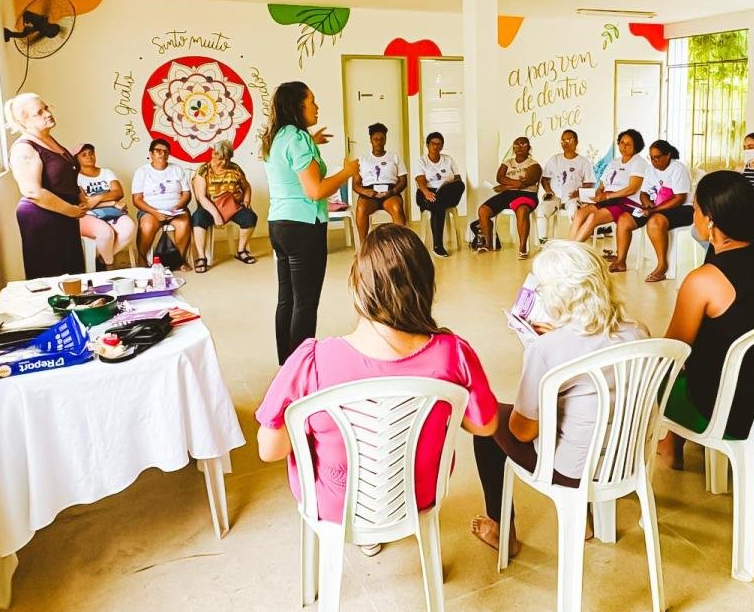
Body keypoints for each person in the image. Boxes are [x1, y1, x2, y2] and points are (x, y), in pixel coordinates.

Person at [256, 224, 498, 555]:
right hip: (419, 492)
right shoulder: (453, 353)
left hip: (335, 504)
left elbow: (269, 450)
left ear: (357, 286)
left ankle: (365, 528)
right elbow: (485, 425)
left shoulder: (311, 361)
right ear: (426, 285)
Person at [470, 241, 648, 555]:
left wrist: (539, 350)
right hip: (626, 457)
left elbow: (523, 431)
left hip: (573, 471)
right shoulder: (638, 332)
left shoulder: (548, 349)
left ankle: (504, 534)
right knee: (581, 412)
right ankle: (587, 519)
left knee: (487, 425)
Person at [660, 171, 754, 462]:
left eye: (696, 209)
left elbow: (672, 352)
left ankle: (668, 445)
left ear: (710, 219)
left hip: (728, 410)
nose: (693, 215)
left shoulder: (705, 280)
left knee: (647, 374)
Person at [262, 81, 359, 366]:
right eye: (312, 101)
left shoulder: (278, 136)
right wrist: (347, 172)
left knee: (287, 299)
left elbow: (290, 165)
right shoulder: (298, 139)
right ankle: (300, 371)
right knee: (305, 303)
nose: (317, 107)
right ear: (297, 107)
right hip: (303, 226)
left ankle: (286, 366)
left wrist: (311, 143)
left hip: (279, 225)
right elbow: (315, 190)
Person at [6, 93, 87, 278]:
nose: (47, 114)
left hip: (63, 217)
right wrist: (71, 210)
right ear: (23, 120)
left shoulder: (47, 139)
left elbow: (62, 175)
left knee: (72, 278)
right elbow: (32, 191)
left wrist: (78, 195)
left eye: (47, 108)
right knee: (52, 279)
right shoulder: (24, 148)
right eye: (39, 112)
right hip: (42, 219)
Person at [609, 139, 693, 282]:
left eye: (657, 157)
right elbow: (644, 193)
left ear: (668, 155)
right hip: (656, 208)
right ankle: (621, 261)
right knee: (624, 219)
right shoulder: (650, 169)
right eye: (651, 158)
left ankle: (662, 266)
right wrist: (647, 204)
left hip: (682, 209)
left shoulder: (678, 168)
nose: (654, 161)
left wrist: (654, 210)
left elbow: (679, 198)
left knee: (655, 221)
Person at [190, 138, 258, 272]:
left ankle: (241, 250)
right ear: (213, 154)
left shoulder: (235, 168)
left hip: (231, 206)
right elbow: (201, 197)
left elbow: (247, 186)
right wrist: (216, 215)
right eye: (221, 158)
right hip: (209, 207)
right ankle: (201, 257)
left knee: (250, 217)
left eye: (227, 159)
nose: (224, 162)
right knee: (198, 218)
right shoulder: (203, 170)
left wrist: (246, 201)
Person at [570, 129, 648, 243]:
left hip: (625, 202)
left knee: (592, 218)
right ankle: (569, 248)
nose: (624, 147)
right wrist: (597, 195)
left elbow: (633, 188)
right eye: (622, 143)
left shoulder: (639, 162)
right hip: (607, 199)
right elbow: (602, 185)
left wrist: (607, 197)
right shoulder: (614, 162)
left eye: (628, 144)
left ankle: (572, 250)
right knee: (579, 214)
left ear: (636, 146)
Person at [475, 137, 542, 258]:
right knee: (483, 210)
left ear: (529, 147)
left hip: (527, 194)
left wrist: (505, 186)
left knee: (522, 211)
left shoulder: (534, 164)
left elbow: (526, 182)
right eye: (516, 145)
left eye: (523, 144)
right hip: (508, 194)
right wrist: (513, 184)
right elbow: (499, 178)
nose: (519, 147)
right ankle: (488, 244)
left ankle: (523, 248)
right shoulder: (507, 162)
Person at [131, 138, 192, 269]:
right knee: (147, 226)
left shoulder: (177, 169)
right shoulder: (142, 172)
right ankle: (141, 259)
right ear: (151, 154)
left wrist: (178, 207)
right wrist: (155, 213)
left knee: (184, 224)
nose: (162, 154)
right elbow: (137, 199)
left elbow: (187, 193)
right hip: (150, 211)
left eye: (165, 151)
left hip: (175, 211)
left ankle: (179, 260)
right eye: (158, 151)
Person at [75, 143, 136, 270]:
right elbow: (85, 204)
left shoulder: (106, 172)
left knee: (129, 228)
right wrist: (112, 202)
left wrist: (97, 198)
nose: (89, 157)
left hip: (112, 212)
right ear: (77, 159)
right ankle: (110, 266)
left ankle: (101, 258)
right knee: (105, 233)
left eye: (91, 153)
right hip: (89, 216)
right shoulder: (76, 177)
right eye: (84, 155)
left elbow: (119, 193)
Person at [536, 129, 595, 243]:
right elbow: (545, 179)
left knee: (574, 213)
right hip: (555, 197)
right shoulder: (555, 159)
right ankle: (543, 241)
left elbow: (589, 182)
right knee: (542, 211)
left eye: (568, 140)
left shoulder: (583, 162)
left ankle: (575, 242)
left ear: (576, 142)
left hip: (573, 197)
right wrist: (549, 191)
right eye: (562, 140)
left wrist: (578, 193)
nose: (565, 143)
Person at [353, 123, 408, 242]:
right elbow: (356, 184)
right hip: (369, 194)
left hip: (390, 193)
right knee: (361, 209)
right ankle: (363, 246)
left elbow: (403, 181)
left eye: (382, 139)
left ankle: (400, 245)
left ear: (386, 139)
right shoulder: (362, 159)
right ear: (370, 140)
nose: (379, 142)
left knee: (397, 208)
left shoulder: (394, 157)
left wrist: (392, 192)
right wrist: (365, 192)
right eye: (375, 139)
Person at [413, 131, 464, 258]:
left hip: (446, 193)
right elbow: (420, 180)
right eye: (433, 144)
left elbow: (457, 178)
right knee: (438, 205)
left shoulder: (448, 159)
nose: (436, 146)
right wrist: (426, 193)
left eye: (439, 144)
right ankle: (438, 246)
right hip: (427, 193)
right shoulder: (421, 161)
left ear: (442, 146)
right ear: (427, 145)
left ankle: (437, 246)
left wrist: (447, 184)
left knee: (460, 185)